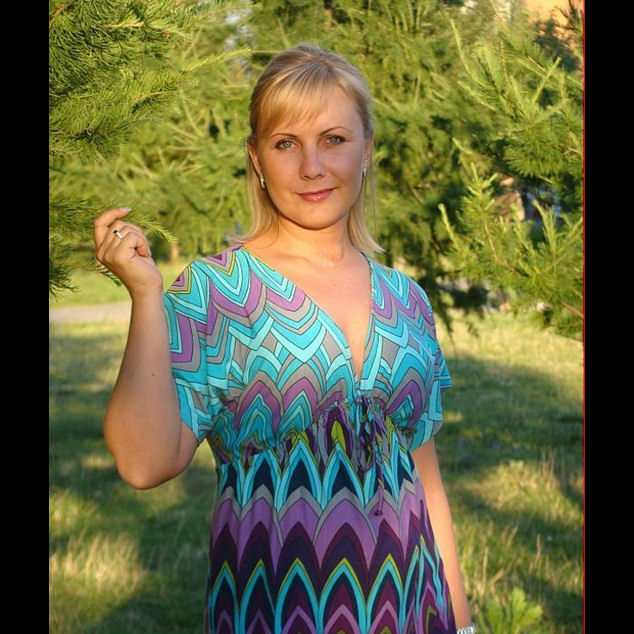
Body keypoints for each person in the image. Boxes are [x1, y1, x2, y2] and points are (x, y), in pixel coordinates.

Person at [94, 43, 476, 634]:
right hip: (275, 611)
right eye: (285, 144)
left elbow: (426, 482)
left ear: (367, 149)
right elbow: (144, 462)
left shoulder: (407, 300)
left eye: (334, 139)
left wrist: (463, 622)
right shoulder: (218, 292)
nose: (312, 167)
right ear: (257, 159)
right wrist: (146, 295)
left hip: (413, 611)